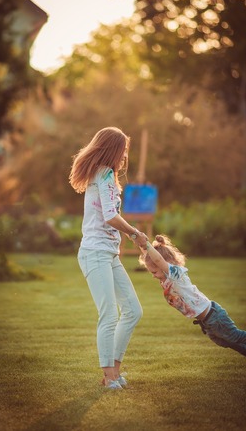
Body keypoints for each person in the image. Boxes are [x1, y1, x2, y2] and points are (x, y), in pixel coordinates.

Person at [69, 127, 147, 389]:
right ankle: (109, 377)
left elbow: (109, 217)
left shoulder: (106, 175)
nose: (125, 154)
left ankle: (114, 372)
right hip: (95, 253)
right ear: (113, 149)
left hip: (108, 253)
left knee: (133, 311)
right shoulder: (104, 173)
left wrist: (123, 238)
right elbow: (110, 216)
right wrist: (135, 233)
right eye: (123, 149)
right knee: (109, 315)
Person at [139, 234, 246, 376]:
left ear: (164, 264)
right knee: (223, 341)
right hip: (206, 320)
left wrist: (147, 244)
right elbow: (151, 257)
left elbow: (157, 259)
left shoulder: (175, 274)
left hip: (213, 315)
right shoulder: (166, 278)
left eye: (154, 272)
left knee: (235, 335)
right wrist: (138, 240)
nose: (153, 275)